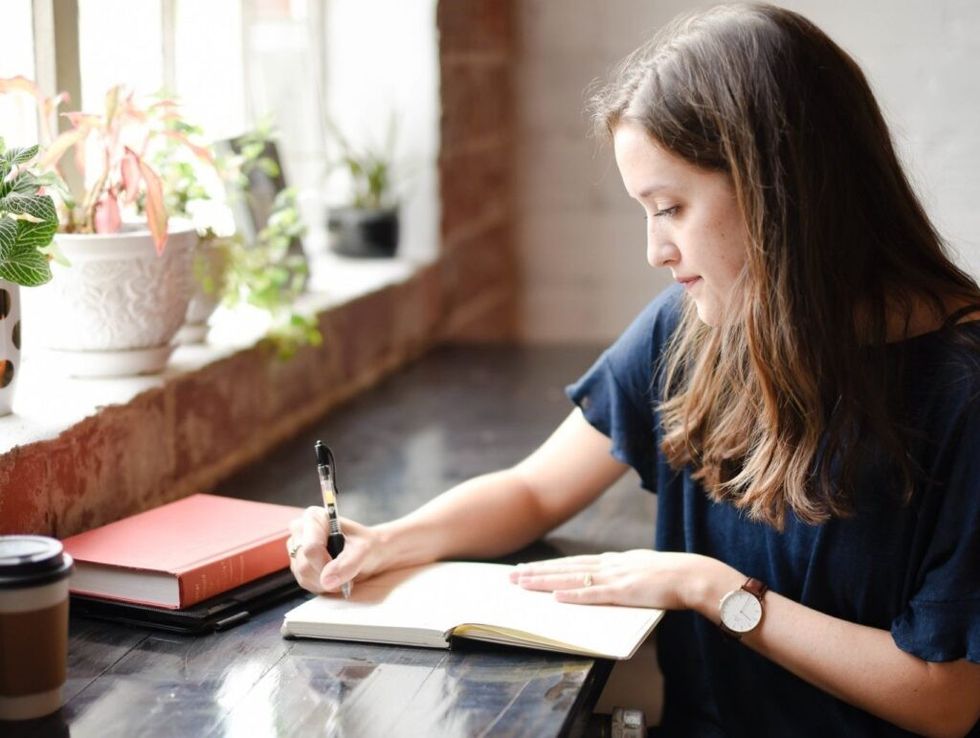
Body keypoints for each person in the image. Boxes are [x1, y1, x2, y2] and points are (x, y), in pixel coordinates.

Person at [288, 4, 980, 736]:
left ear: (780, 191)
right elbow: (533, 489)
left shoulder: (961, 393)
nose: (655, 251)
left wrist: (712, 589)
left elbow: (941, 698)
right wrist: (386, 541)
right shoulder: (694, 328)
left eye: (671, 208)